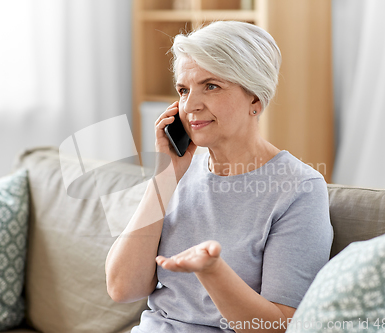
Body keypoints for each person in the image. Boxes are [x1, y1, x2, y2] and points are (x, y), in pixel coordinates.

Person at [105, 21, 333, 333]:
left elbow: (281, 326)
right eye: (184, 90)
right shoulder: (177, 174)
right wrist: (164, 177)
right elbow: (122, 288)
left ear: (255, 99)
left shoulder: (298, 189)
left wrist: (211, 271)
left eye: (211, 86)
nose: (190, 106)